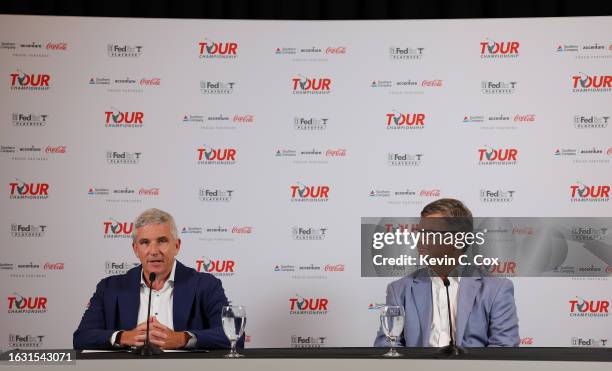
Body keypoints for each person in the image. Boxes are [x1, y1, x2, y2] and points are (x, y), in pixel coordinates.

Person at [74, 208, 239, 350]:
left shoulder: (206, 285)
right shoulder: (109, 287)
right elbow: (81, 338)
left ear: (177, 245)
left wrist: (183, 339)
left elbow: (233, 336)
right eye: (145, 242)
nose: (153, 251)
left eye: (162, 241)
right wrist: (122, 337)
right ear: (135, 249)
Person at [374, 198, 519, 347]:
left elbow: (503, 348)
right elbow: (387, 346)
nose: (420, 240)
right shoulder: (399, 289)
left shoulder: (496, 289)